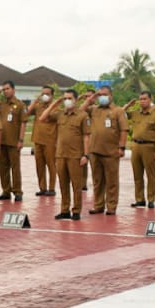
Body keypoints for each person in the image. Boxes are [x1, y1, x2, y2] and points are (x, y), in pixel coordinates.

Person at [39, 89, 89, 219]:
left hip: (75, 155)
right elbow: (42, 118)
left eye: (69, 98)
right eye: (65, 98)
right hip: (61, 155)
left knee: (76, 185)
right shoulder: (60, 114)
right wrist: (54, 104)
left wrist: (86, 155)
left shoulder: (82, 115)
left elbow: (86, 137)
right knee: (63, 184)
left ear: (76, 100)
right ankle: (64, 209)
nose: (67, 101)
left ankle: (76, 210)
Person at [83, 88, 127, 214]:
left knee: (112, 181)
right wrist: (92, 98)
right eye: (100, 95)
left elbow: (124, 130)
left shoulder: (118, 111)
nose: (102, 97)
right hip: (95, 150)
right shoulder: (94, 109)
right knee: (97, 181)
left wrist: (121, 147)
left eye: (105, 95)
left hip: (111, 152)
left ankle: (111, 207)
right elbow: (81, 110)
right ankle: (98, 205)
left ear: (111, 95)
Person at [126, 91, 155, 208]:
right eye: (141, 99)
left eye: (145, 99)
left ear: (150, 99)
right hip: (136, 146)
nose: (142, 101)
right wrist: (128, 105)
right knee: (137, 175)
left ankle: (151, 199)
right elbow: (119, 114)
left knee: (150, 175)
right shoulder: (135, 113)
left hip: (149, 146)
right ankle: (140, 199)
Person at [0, 81, 26, 202]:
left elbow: (23, 123)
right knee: (3, 168)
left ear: (13, 90)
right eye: (4, 89)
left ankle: (17, 191)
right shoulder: (1, 104)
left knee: (15, 168)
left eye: (7, 89)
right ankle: (6, 191)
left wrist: (21, 140)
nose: (5, 91)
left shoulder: (20, 105)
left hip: (14, 141)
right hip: (1, 141)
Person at [28, 86, 58, 196]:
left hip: (50, 141)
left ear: (52, 95)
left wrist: (50, 106)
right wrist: (35, 100)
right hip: (38, 139)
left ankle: (51, 188)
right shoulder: (38, 106)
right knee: (39, 166)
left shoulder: (56, 108)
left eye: (47, 94)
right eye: (43, 93)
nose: (45, 96)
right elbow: (27, 112)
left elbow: (49, 117)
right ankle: (42, 188)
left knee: (51, 165)